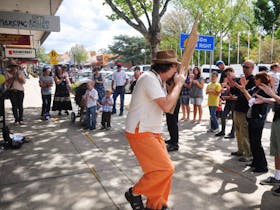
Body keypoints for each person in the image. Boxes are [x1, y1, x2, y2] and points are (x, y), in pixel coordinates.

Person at [124, 49, 185, 210]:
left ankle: (156, 205)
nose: (176, 71)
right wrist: (178, 83)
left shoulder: (157, 80)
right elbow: (166, 106)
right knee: (166, 169)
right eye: (175, 68)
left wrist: (175, 85)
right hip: (140, 130)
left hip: (152, 130)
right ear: (169, 67)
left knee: (160, 172)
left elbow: (169, 105)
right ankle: (134, 193)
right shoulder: (149, 79)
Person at [236, 71, 270, 173]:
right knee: (252, 141)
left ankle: (262, 166)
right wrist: (243, 88)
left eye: (256, 79)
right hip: (252, 118)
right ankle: (255, 162)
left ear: (261, 80)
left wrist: (244, 90)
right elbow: (248, 94)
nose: (255, 80)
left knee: (256, 143)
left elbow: (252, 101)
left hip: (258, 119)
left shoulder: (265, 90)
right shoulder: (256, 88)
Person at [257, 82, 280, 195]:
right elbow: (277, 100)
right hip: (277, 119)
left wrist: (272, 94)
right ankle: (277, 177)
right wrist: (266, 99)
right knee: (277, 152)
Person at [230, 60, 255, 162]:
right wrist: (232, 86)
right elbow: (236, 91)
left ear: (252, 68)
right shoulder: (242, 78)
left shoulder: (253, 80)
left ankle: (248, 154)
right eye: (243, 66)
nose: (244, 69)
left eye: (247, 67)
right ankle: (240, 150)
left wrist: (237, 96)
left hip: (245, 110)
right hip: (237, 108)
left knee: (245, 133)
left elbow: (248, 96)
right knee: (238, 132)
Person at [215, 67, 236, 138]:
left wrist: (226, 86)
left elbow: (233, 90)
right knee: (223, 115)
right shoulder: (227, 80)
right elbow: (228, 91)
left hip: (234, 102)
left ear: (232, 73)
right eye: (226, 75)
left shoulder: (235, 80)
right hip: (228, 101)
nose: (227, 76)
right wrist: (223, 90)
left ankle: (232, 133)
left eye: (228, 74)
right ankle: (223, 131)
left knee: (234, 117)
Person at [5, 60, 26, 125]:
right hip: (12, 91)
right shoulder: (7, 73)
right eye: (11, 66)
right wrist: (13, 77)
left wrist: (18, 76)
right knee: (14, 106)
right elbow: (6, 83)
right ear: (9, 67)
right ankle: (16, 119)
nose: (13, 68)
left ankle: (21, 119)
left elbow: (23, 82)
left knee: (20, 105)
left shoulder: (20, 72)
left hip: (20, 91)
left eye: (14, 66)